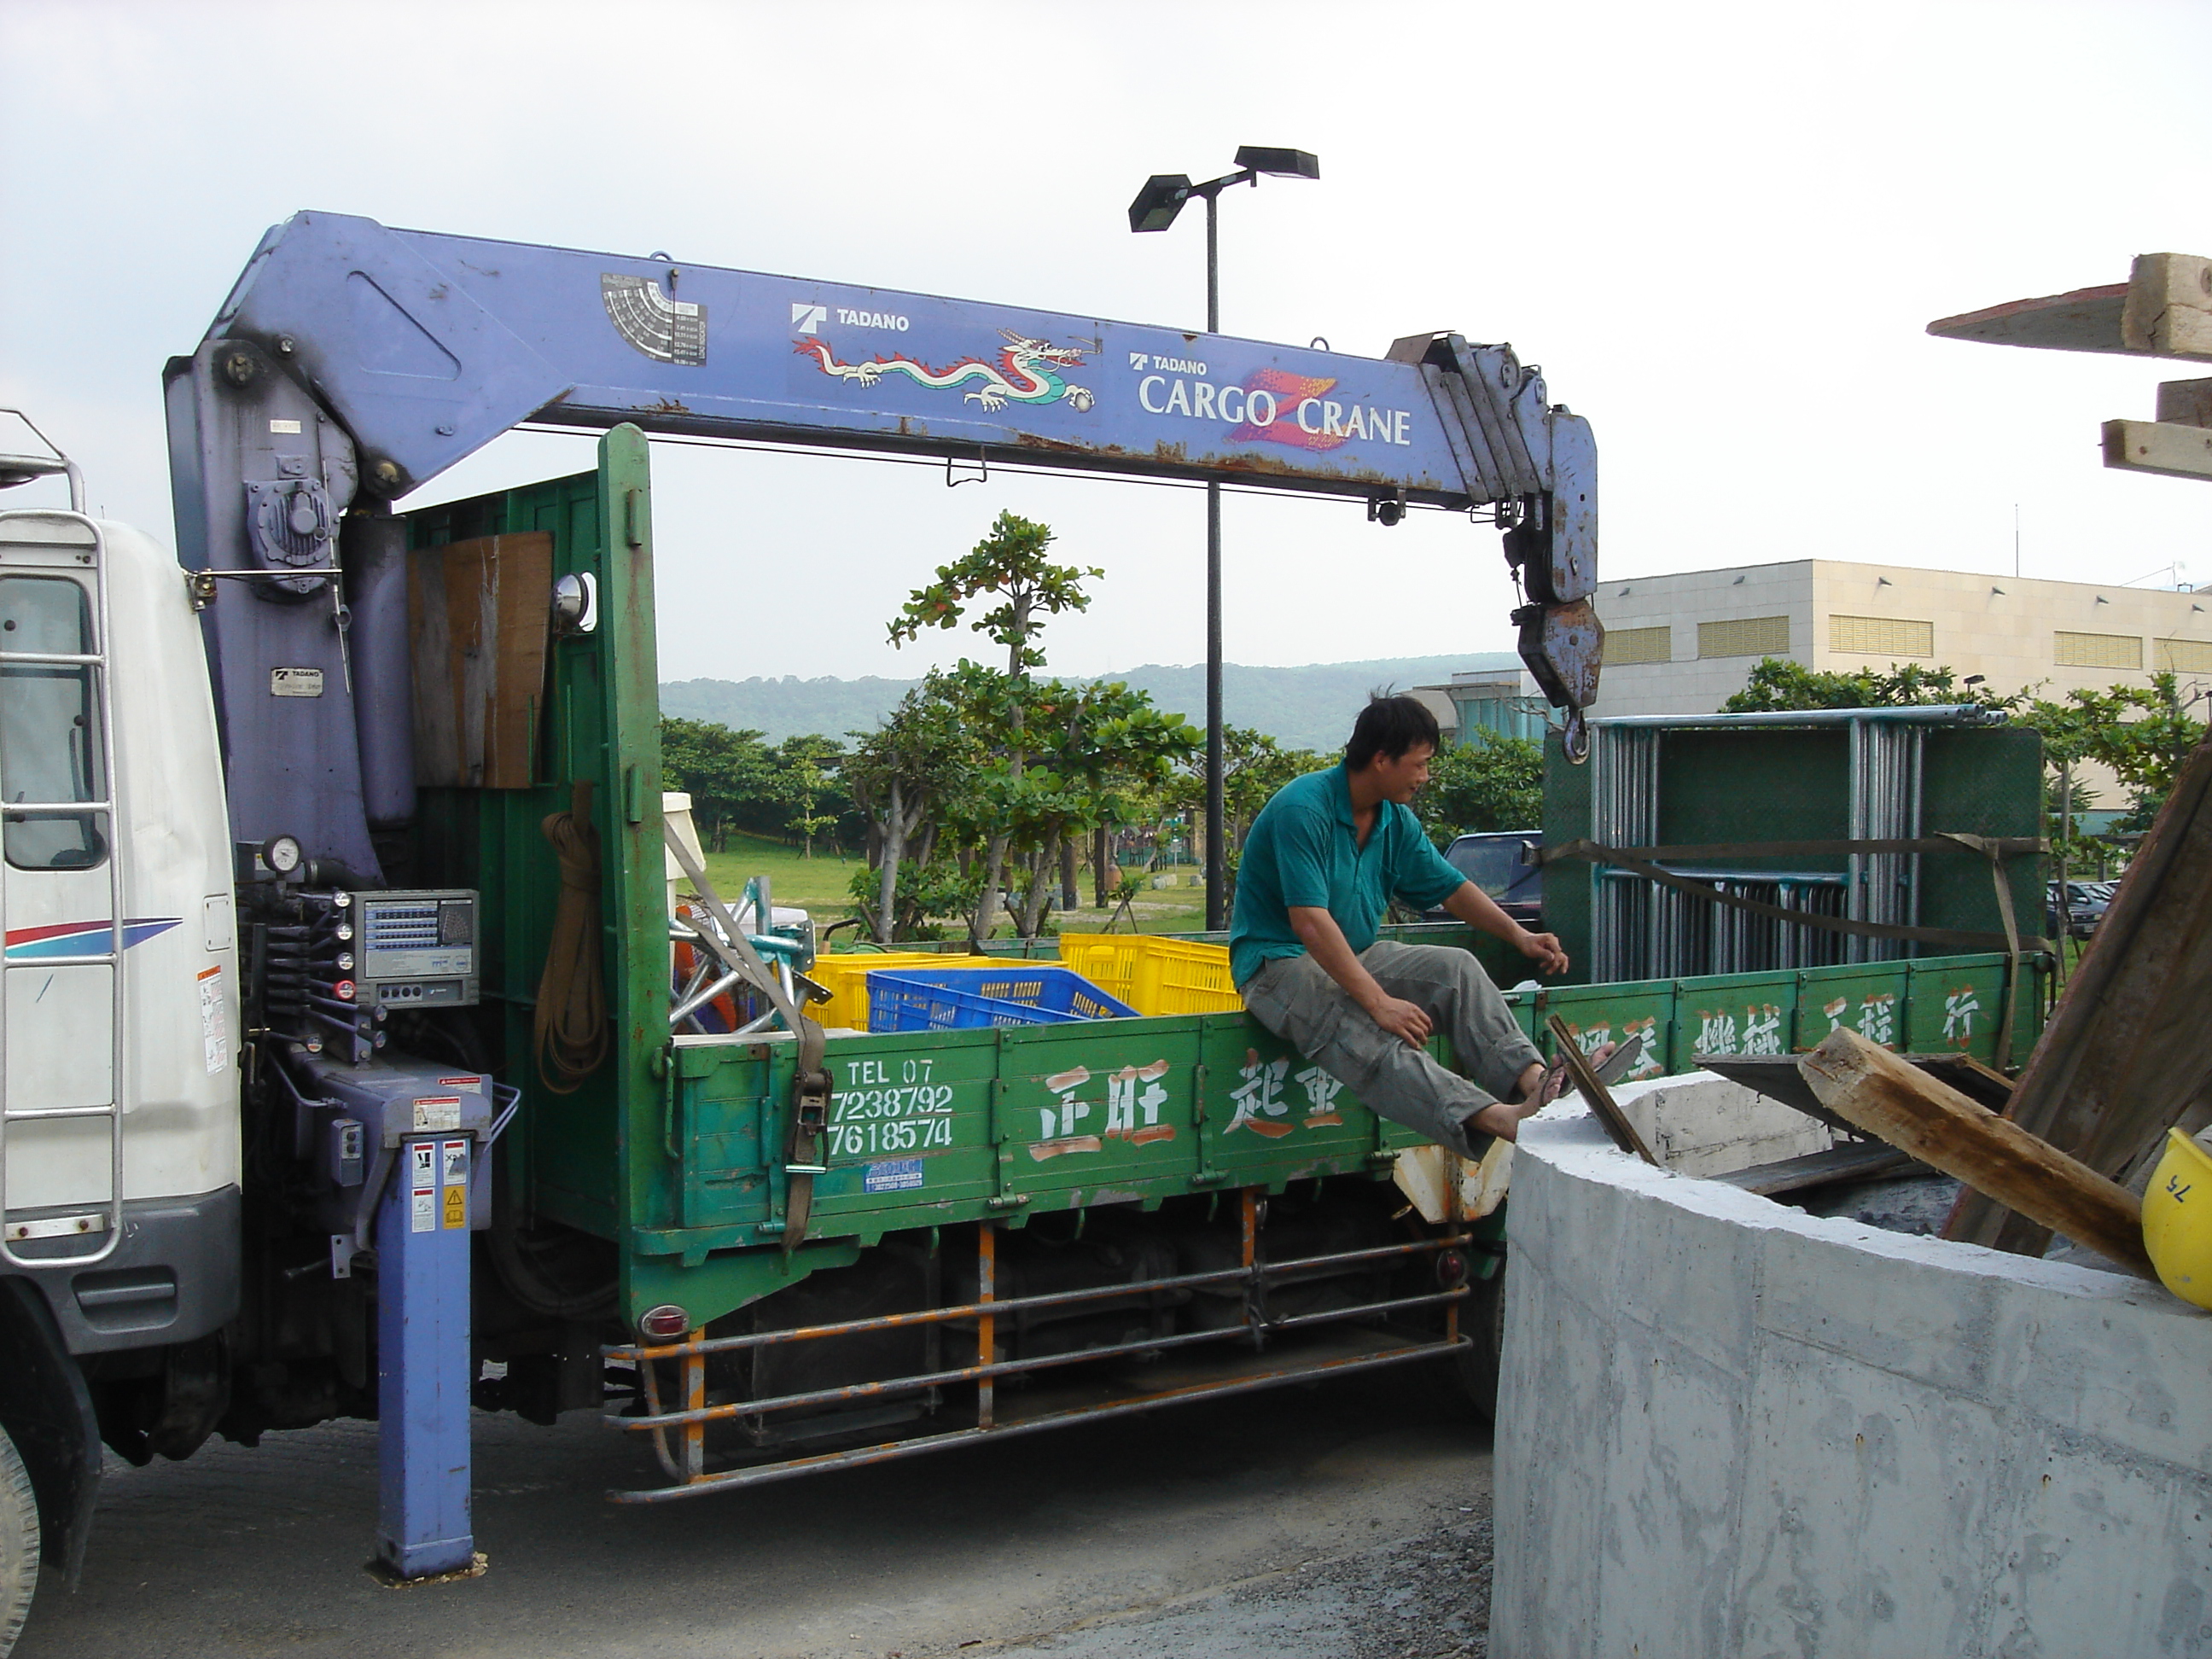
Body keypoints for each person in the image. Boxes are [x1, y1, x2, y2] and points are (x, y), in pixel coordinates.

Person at [1230, 694, 1586, 1159]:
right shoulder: (1305, 809)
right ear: (1381, 760)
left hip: (1351, 956)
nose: (1425, 777)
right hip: (1276, 966)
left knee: (1456, 969)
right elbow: (1310, 924)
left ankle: (1538, 1085)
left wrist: (1521, 936)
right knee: (1363, 1025)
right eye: (1419, 765)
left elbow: (1451, 887)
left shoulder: (1394, 820)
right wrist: (1379, 1003)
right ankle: (1498, 1118)